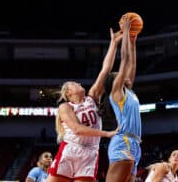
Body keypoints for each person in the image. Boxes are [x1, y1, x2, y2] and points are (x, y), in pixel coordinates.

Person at [47, 28, 122, 182]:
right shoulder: (65, 107)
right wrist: (107, 134)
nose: (79, 83)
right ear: (68, 93)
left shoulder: (92, 97)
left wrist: (114, 43)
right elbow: (77, 129)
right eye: (74, 84)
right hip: (71, 150)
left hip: (90, 153)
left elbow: (105, 70)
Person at [100, 15, 141, 182]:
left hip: (135, 143)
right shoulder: (116, 93)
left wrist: (132, 41)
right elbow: (124, 60)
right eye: (121, 75)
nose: (126, 75)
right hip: (123, 141)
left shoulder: (128, 91)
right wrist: (124, 31)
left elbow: (132, 64)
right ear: (116, 81)